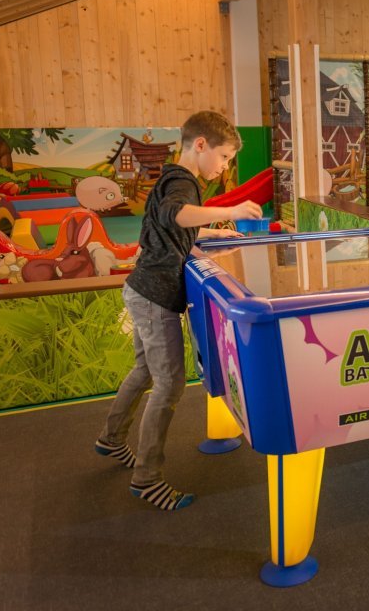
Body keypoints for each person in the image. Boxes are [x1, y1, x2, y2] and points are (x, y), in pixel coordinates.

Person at [94, 111, 262, 510]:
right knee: (168, 385)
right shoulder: (183, 181)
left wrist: (212, 232)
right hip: (154, 297)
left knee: (144, 371)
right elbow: (176, 215)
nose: (223, 167)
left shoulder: (172, 177)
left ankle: (111, 439)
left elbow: (170, 226)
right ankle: (147, 478)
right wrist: (231, 211)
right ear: (200, 145)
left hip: (141, 290)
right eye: (223, 157)